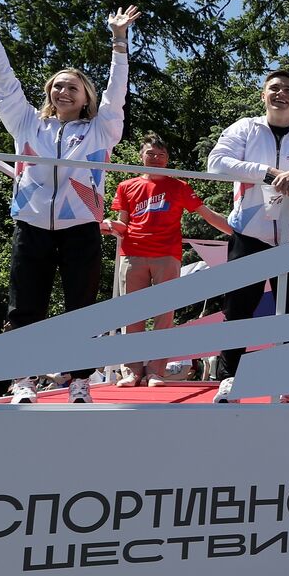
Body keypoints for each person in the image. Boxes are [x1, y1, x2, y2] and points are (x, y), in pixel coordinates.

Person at [0, 0, 140, 405]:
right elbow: (1, 75)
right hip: (31, 226)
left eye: (72, 87)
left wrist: (119, 43)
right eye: (57, 85)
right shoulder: (27, 124)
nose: (62, 90)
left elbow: (116, 96)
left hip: (81, 228)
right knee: (24, 307)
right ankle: (22, 378)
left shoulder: (101, 130)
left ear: (84, 98)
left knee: (80, 306)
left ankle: (80, 381)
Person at [206, 70, 289, 404]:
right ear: (263, 95)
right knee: (238, 308)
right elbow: (216, 163)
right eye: (274, 88)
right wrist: (267, 173)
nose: (281, 94)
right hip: (249, 233)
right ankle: (230, 379)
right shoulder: (245, 128)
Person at [109, 133, 232, 387]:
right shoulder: (126, 186)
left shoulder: (179, 187)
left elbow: (208, 215)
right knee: (132, 314)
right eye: (151, 154)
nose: (155, 159)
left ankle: (155, 370)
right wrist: (107, 225)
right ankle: (131, 371)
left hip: (167, 255)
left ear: (167, 160)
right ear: (141, 156)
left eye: (161, 155)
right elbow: (122, 223)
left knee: (164, 316)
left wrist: (242, 234)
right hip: (132, 255)